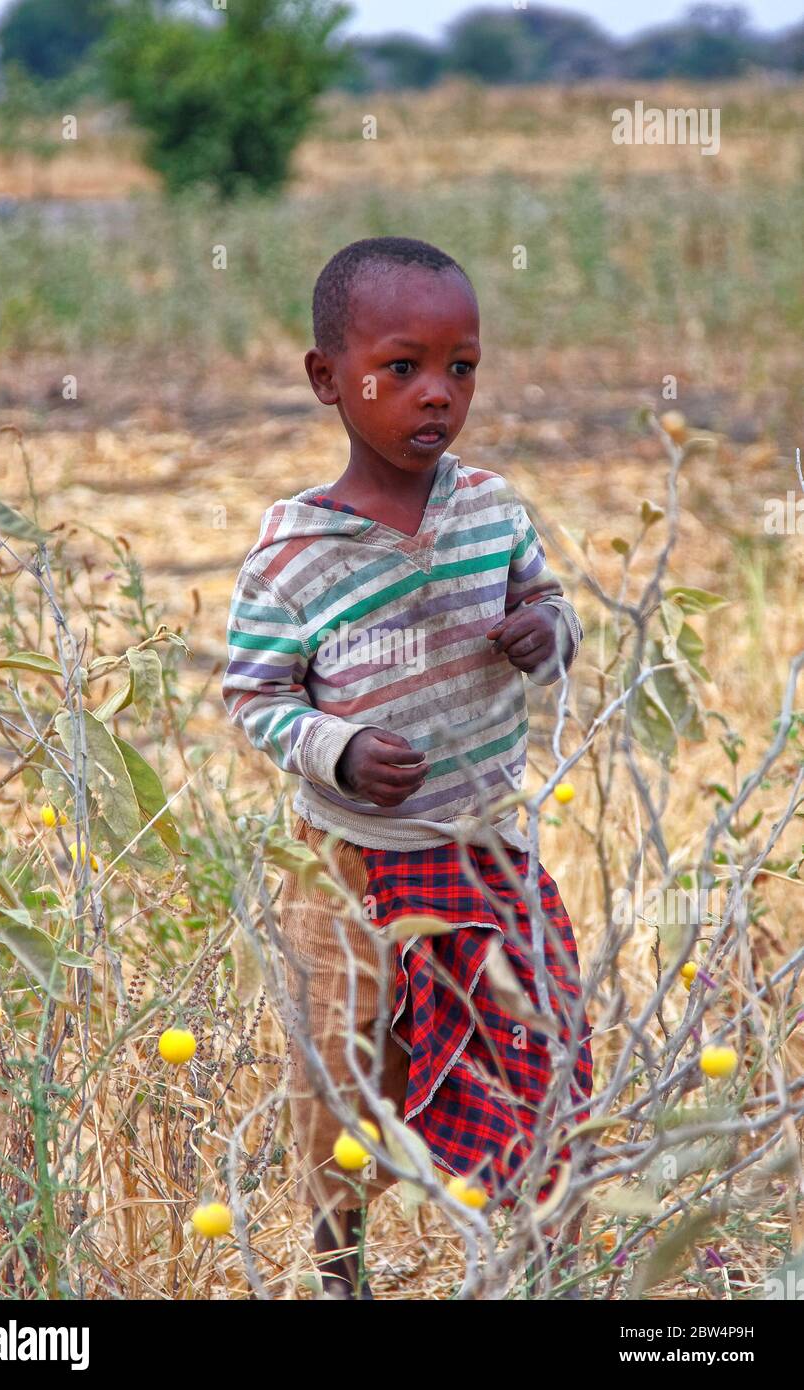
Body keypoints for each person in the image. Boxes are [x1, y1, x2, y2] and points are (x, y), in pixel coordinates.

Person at [223, 237, 593, 1299]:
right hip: (347, 863)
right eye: (401, 368)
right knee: (337, 1074)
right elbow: (254, 697)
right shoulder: (294, 554)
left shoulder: (490, 510)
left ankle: (538, 1258)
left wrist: (542, 631)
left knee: (536, 1045)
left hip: (483, 852)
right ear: (325, 379)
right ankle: (344, 1272)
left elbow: (552, 606)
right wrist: (336, 749)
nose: (436, 394)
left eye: (460, 367)